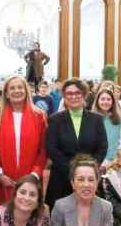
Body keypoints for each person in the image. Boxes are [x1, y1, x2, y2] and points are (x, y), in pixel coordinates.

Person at [0, 76, 48, 216]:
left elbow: (43, 150)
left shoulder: (39, 115)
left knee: (28, 221)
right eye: (12, 88)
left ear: (26, 91)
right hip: (2, 179)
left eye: (20, 87)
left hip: (30, 178)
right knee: (0, 221)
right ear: (6, 93)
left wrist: (34, 174)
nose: (16, 91)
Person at [45, 79, 108, 209]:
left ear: (84, 94)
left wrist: (88, 170)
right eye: (69, 93)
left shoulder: (96, 120)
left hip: (88, 178)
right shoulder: (54, 120)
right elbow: (51, 148)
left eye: (77, 93)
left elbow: (102, 147)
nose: (73, 96)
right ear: (64, 96)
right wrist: (72, 171)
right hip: (61, 177)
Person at [92, 88, 121, 169]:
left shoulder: (119, 120)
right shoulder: (90, 119)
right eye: (102, 99)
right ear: (97, 101)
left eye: (108, 99)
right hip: (96, 162)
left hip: (115, 162)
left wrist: (116, 160)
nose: (105, 102)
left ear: (113, 102)